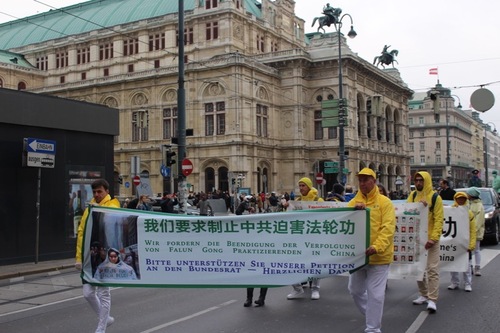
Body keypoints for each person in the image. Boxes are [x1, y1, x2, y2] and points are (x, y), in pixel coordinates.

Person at [346, 168, 396, 333]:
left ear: (374, 181)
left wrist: (377, 246)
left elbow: (388, 228)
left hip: (379, 257)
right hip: (359, 257)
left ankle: (373, 328)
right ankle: (372, 315)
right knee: (355, 291)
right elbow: (343, 223)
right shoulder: (353, 203)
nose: (362, 183)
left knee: (376, 295)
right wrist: (353, 212)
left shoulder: (385, 202)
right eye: (360, 180)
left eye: (366, 180)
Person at [75, 179, 120, 333]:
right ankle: (106, 318)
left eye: (100, 191)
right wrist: (79, 257)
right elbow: (81, 233)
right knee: (87, 293)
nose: (97, 194)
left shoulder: (113, 204)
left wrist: (97, 210)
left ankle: (101, 328)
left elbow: (110, 217)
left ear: (107, 191)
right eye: (94, 192)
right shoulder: (89, 208)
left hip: (105, 257)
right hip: (89, 257)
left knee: (103, 293)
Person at [407, 171, 444, 313]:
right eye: (416, 180)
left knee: (432, 270)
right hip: (417, 240)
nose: (418, 183)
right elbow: (406, 212)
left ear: (426, 181)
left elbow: (439, 220)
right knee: (419, 270)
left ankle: (432, 299)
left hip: (431, 240)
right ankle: (423, 294)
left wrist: (433, 238)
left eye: (421, 180)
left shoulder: (435, 198)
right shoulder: (413, 195)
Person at [286, 177, 324, 300]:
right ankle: (297, 289)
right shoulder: (296, 201)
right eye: (300, 185)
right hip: (300, 238)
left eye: (303, 185)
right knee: (293, 264)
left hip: (314, 238)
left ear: (309, 186)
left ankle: (315, 289)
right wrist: (286, 207)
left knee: (314, 264)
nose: (301, 188)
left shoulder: (319, 200)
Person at [447, 192, 476, 292]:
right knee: (453, 264)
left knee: (467, 265)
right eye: (459, 199)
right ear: (455, 199)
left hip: (465, 244)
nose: (461, 201)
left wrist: (471, 244)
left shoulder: (469, 213)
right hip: (454, 242)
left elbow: (472, 230)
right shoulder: (451, 210)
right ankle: (454, 282)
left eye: (463, 199)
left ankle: (468, 283)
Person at [466, 187, 485, 276]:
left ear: (472, 195)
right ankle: (470, 267)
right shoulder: (467, 203)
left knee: (476, 250)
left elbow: (479, 221)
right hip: (466, 231)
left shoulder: (479, 206)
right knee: (468, 250)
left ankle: (477, 268)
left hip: (475, 232)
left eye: (468, 194)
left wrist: (472, 230)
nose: (467, 195)